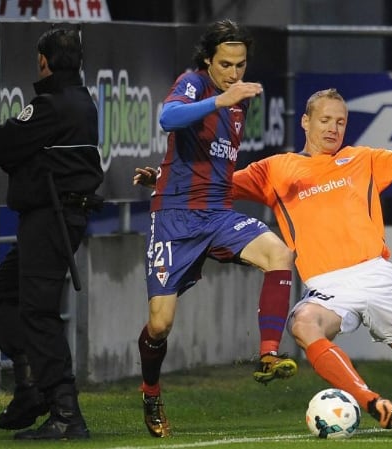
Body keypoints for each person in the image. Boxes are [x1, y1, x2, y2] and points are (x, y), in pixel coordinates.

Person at [134, 89, 392, 432]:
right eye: (325, 120)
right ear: (306, 122)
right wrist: (164, 182)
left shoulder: (363, 159)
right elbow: (214, 186)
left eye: (340, 122)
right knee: (303, 325)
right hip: (327, 286)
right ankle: (369, 400)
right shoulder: (275, 168)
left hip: (379, 280)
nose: (333, 129)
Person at [135, 19, 296, 438]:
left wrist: (162, 171)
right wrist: (221, 100)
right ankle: (151, 391)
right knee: (159, 325)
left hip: (218, 214)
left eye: (241, 65)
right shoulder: (196, 84)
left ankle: (268, 354)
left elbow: (208, 163)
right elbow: (169, 118)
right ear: (208, 59)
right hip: (174, 217)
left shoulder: (237, 102)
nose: (234, 72)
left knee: (279, 253)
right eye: (226, 63)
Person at [0, 27, 104, 440]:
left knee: (37, 312)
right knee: (2, 296)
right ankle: (31, 385)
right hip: (57, 218)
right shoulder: (83, 102)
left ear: (43, 61)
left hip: (50, 218)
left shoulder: (50, 105)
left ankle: (65, 412)